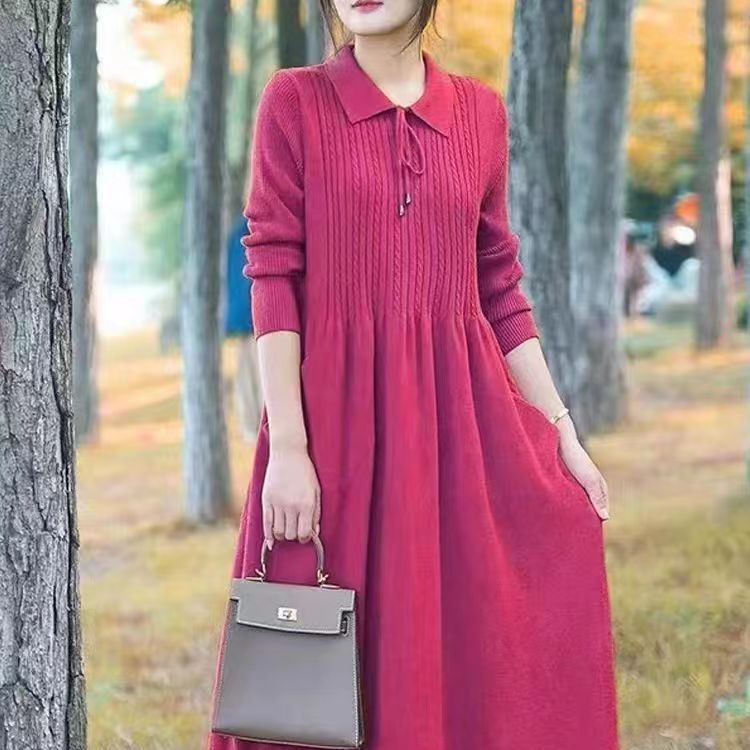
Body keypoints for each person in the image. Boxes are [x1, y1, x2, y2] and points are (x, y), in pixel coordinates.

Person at [208, 1, 619, 748]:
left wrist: (563, 433)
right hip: (331, 429)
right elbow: (272, 275)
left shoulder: (481, 114)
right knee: (313, 662)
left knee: (464, 649)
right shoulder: (294, 101)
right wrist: (291, 450)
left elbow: (499, 289)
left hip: (458, 429)